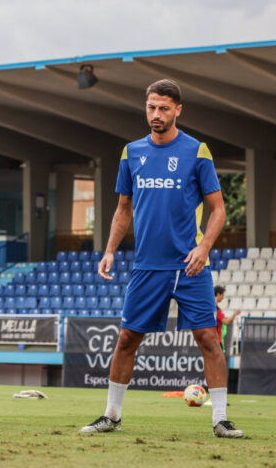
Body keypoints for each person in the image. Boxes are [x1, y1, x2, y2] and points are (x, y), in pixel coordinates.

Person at [79, 79, 244, 438]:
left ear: (178, 110)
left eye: (164, 108)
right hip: (146, 267)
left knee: (209, 339)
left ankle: (220, 419)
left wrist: (203, 249)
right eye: (151, 107)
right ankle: (111, 415)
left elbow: (218, 210)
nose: (156, 114)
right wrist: (108, 250)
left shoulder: (196, 151)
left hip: (189, 265)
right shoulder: (131, 152)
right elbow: (124, 209)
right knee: (126, 340)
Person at [214, 286, 241, 353]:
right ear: (218, 294)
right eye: (223, 295)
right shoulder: (215, 308)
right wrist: (235, 314)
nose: (223, 297)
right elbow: (226, 322)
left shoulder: (210, 306)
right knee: (219, 362)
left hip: (212, 339)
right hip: (216, 340)